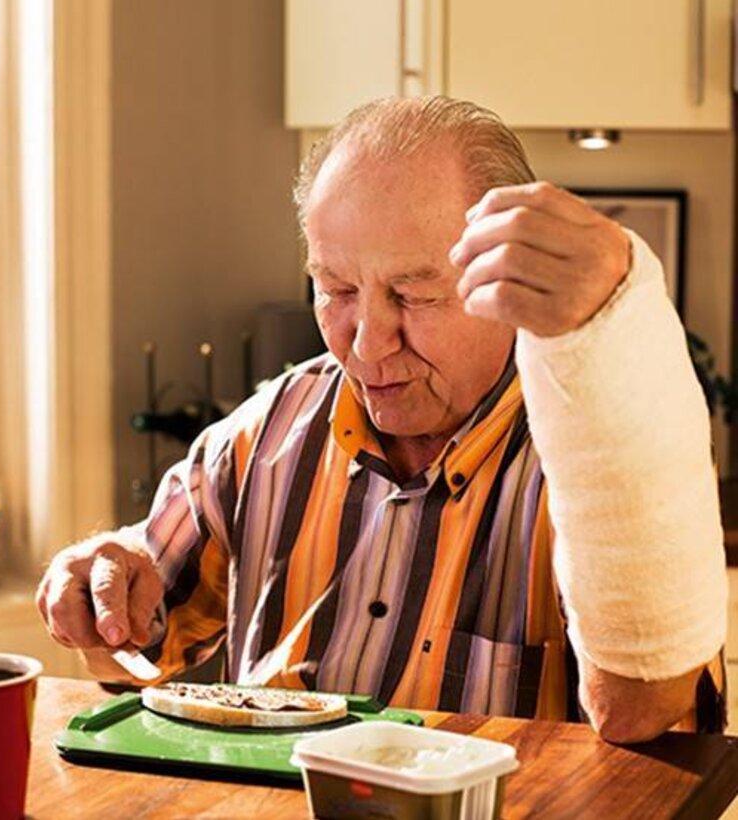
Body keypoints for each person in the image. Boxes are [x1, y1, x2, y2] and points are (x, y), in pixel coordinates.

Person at [37, 97, 728, 742]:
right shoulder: (271, 428)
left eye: (415, 295)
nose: (366, 344)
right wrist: (108, 578)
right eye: (335, 289)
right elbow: (137, 641)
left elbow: (651, 718)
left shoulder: (587, 457)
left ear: (500, 280)